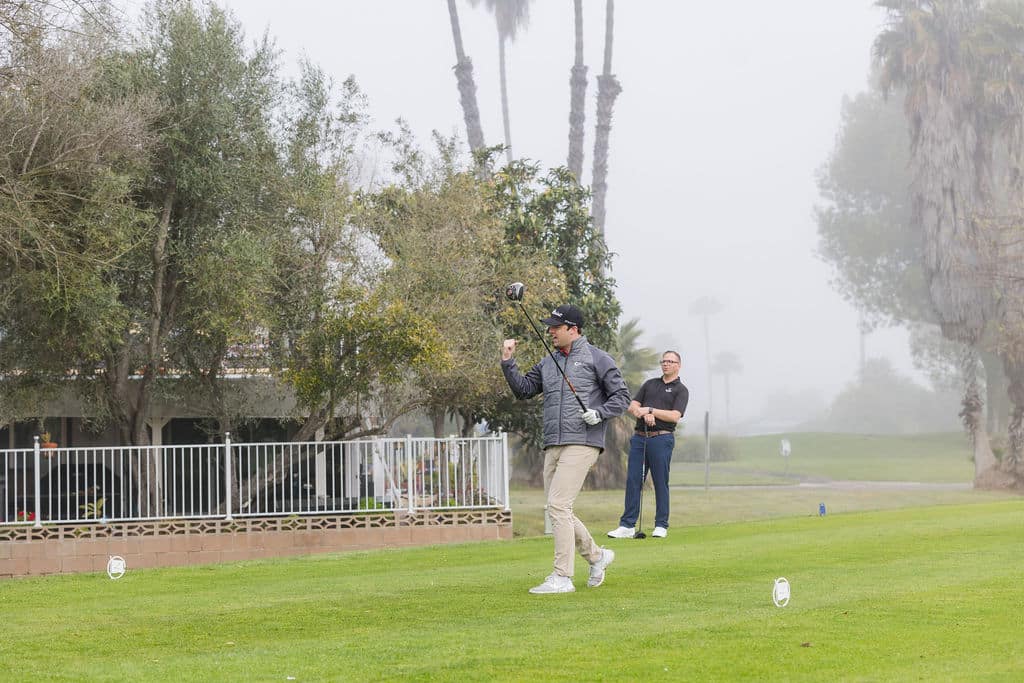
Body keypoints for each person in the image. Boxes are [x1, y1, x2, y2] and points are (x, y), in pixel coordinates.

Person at [501, 304, 631, 594]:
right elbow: (523, 389)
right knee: (558, 509)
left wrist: (599, 412)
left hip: (584, 440)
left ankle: (562, 577)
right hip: (553, 441)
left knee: (559, 506)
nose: (551, 331)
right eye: (550, 327)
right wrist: (508, 361)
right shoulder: (549, 362)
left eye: (556, 327)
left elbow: (622, 397)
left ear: (573, 329)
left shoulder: (598, 358)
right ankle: (597, 557)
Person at [607, 350, 689, 539]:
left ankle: (661, 524)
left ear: (678, 365)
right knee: (634, 480)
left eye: (670, 361)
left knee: (660, 482)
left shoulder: (681, 390)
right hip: (640, 438)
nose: (666, 364)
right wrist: (645, 414)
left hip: (662, 438)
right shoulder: (650, 384)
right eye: (663, 361)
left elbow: (675, 416)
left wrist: (652, 410)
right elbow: (632, 406)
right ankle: (627, 525)